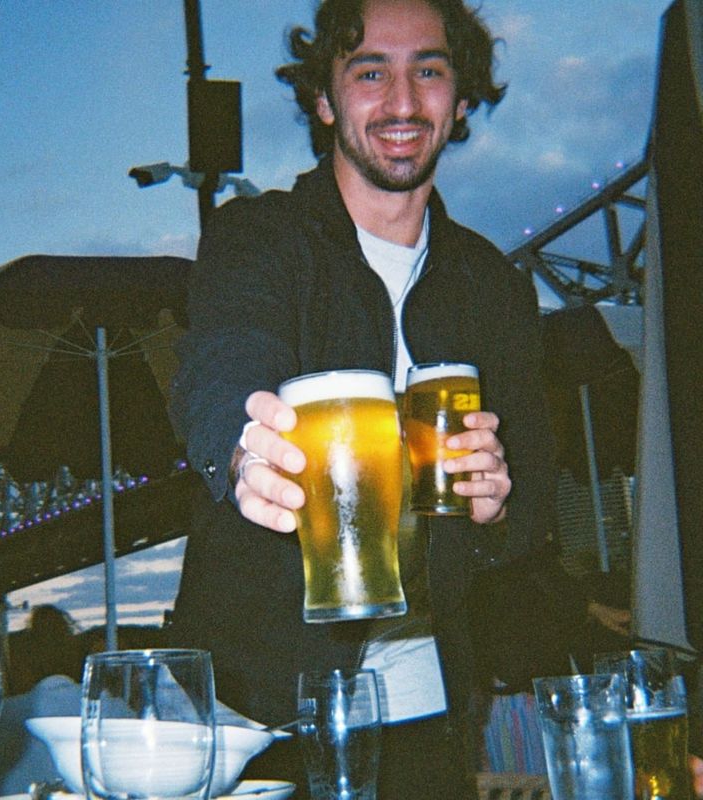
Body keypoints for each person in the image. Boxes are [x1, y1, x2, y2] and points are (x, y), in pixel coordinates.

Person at [168, 0, 556, 796]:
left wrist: (496, 509)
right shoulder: (260, 237)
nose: (402, 101)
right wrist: (244, 450)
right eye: (370, 72)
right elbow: (226, 362)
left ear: (461, 98)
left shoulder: (493, 286)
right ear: (324, 98)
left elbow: (534, 506)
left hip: (426, 704)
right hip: (255, 714)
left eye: (429, 70)